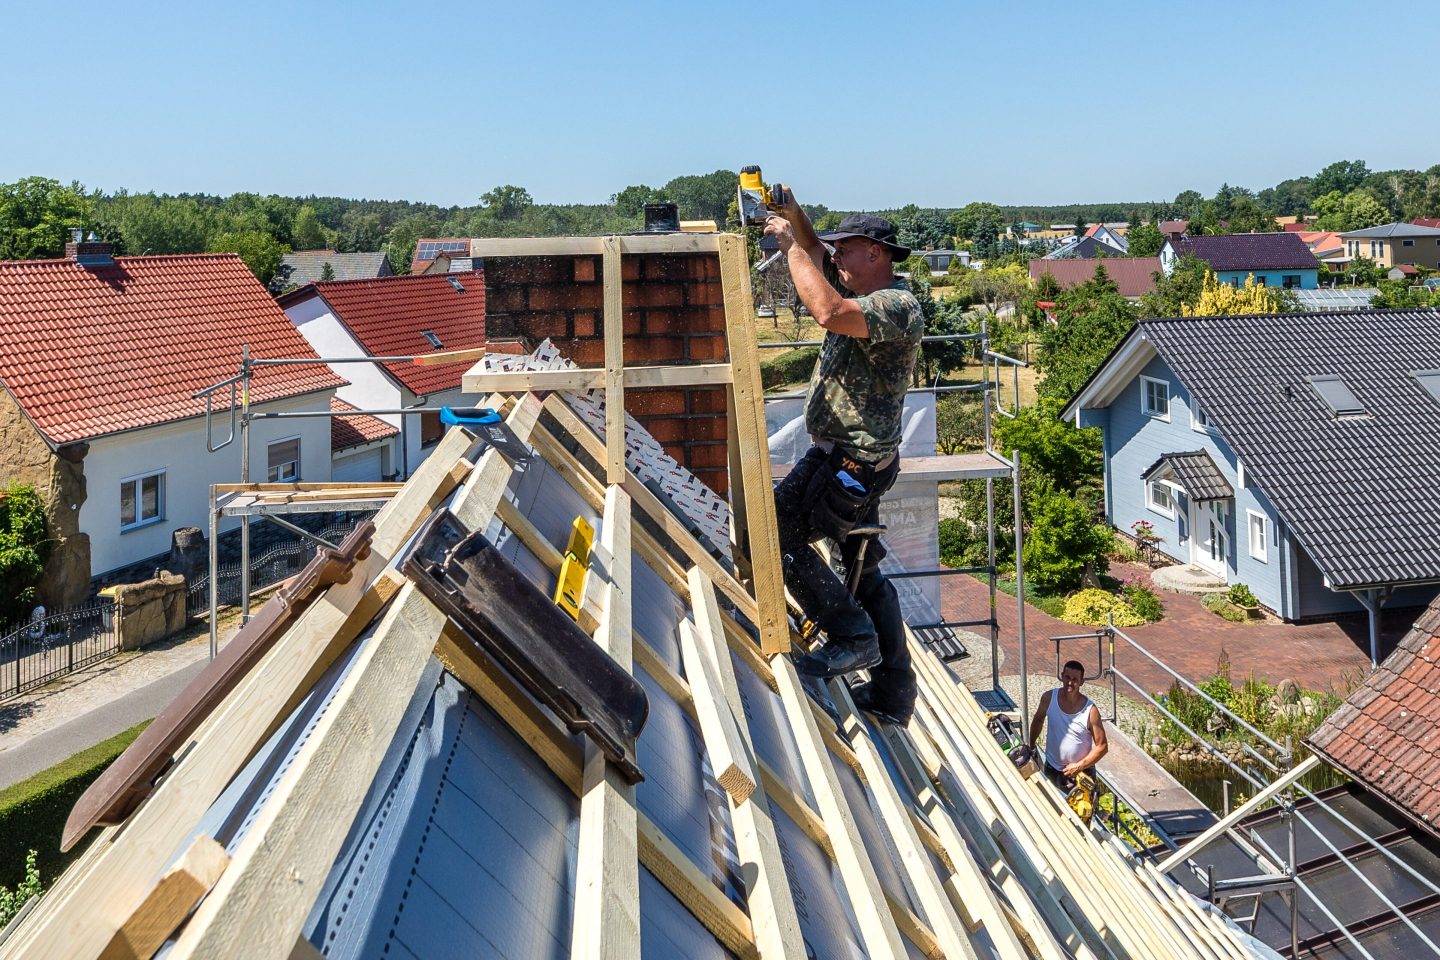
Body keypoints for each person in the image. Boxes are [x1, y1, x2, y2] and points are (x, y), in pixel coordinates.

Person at [762, 190, 924, 725]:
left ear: (876, 253)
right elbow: (817, 248)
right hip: (854, 459)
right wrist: (793, 214)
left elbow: (828, 312)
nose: (834, 258)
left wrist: (789, 249)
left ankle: (851, 637)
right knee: (864, 569)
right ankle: (893, 693)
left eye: (845, 251)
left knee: (775, 533)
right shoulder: (868, 292)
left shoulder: (896, 307)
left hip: (848, 464)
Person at [1027, 660, 1109, 792]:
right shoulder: (1048, 698)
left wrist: (1078, 766)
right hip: (1052, 769)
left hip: (1081, 775)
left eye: (1075, 679)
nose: (1070, 683)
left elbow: (1102, 746)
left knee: (1081, 811)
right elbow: (1038, 720)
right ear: (1062, 676)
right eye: (1067, 677)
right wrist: (1031, 745)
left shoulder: (1090, 711)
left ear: (1082, 682)